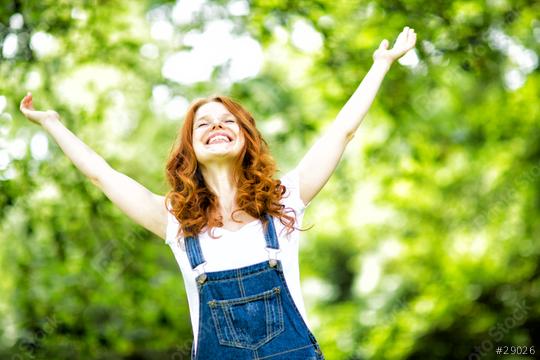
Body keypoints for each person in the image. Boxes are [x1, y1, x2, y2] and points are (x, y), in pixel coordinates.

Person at [19, 26, 416, 359]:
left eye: (228, 120)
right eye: (203, 124)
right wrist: (52, 123)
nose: (216, 126)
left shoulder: (283, 201)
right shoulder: (175, 221)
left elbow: (342, 132)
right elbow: (101, 175)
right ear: (189, 148)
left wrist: (380, 65)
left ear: (246, 138)